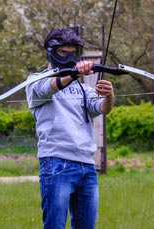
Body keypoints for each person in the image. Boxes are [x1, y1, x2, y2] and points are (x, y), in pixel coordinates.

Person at [25, 27, 114, 229]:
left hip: (86, 165)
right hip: (56, 163)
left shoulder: (83, 88)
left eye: (72, 53)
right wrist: (74, 73)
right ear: (51, 52)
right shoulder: (35, 80)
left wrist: (109, 94)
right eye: (62, 53)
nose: (67, 58)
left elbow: (102, 108)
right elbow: (50, 87)